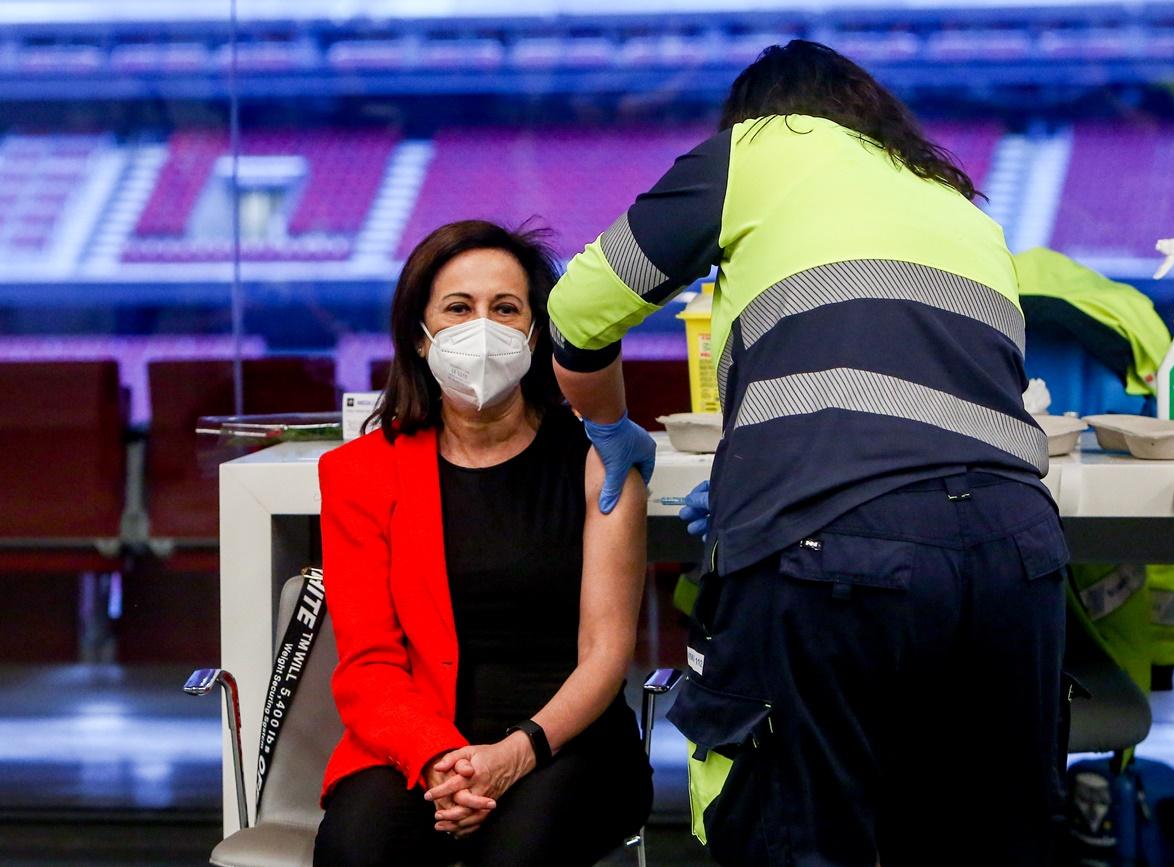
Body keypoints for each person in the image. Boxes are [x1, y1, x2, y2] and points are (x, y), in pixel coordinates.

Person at [547, 41, 1070, 866]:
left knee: (802, 839)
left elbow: (576, 311)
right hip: (1017, 558)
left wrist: (610, 425)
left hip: (833, 554)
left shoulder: (757, 148)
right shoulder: (963, 208)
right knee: (986, 840)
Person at [312, 220, 652, 867]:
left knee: (514, 855)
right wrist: (444, 759)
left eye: (505, 308)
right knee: (357, 850)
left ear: (535, 330)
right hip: (421, 742)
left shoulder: (601, 460)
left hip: (568, 741)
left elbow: (606, 654)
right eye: (459, 308)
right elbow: (368, 665)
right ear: (421, 332)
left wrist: (514, 753)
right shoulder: (358, 473)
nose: (482, 327)